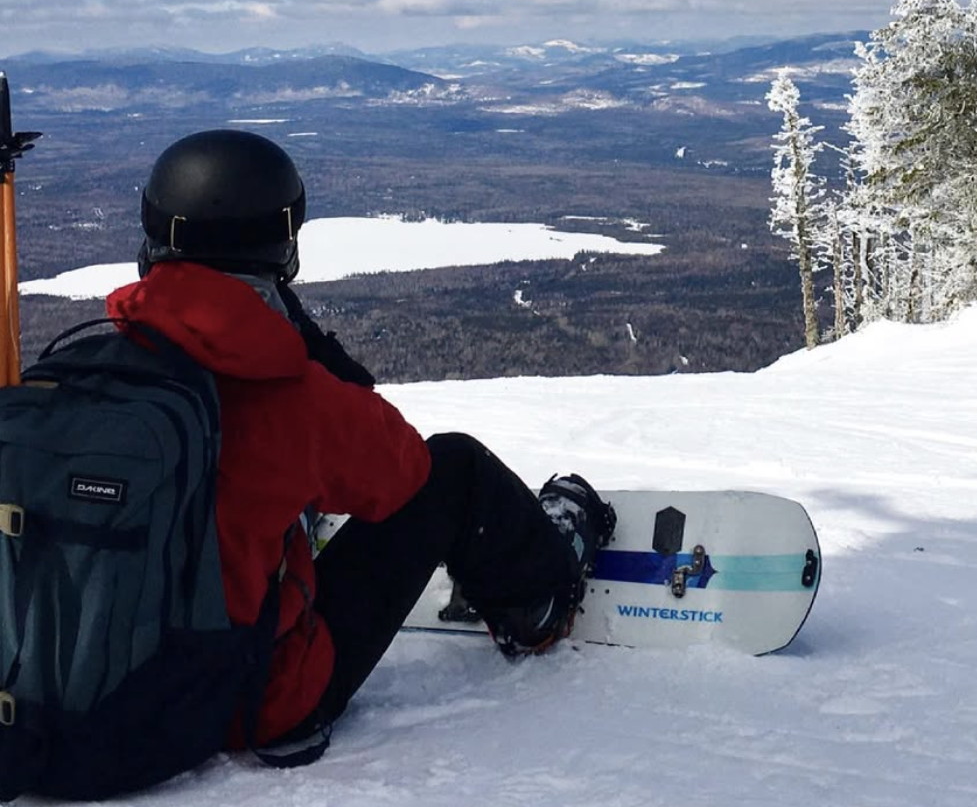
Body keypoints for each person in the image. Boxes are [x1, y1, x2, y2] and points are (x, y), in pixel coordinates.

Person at [106, 128, 615, 754]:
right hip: (249, 703)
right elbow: (401, 468)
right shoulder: (288, 399)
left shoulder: (81, 373)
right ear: (280, 243)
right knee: (452, 467)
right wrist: (304, 351)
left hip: (99, 697)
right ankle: (537, 602)